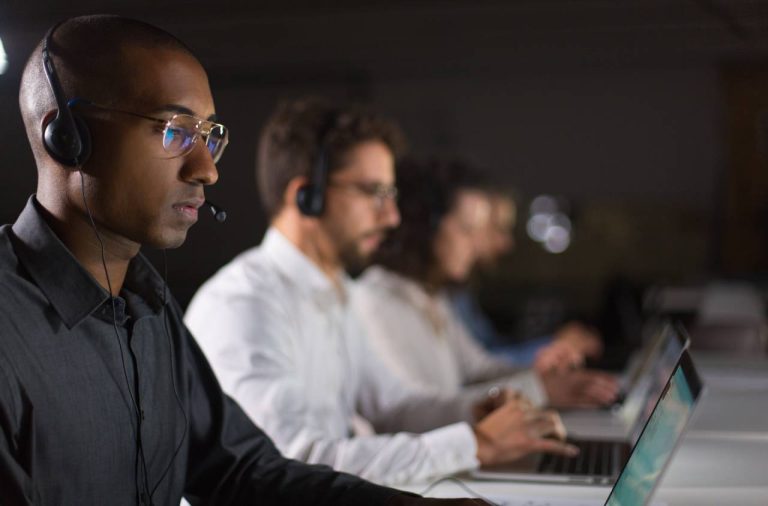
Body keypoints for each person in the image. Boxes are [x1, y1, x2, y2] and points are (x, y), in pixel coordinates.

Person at [0, 15, 486, 506]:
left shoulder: (148, 307)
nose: (207, 169)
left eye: (208, 136)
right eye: (174, 131)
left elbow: (241, 470)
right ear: (67, 137)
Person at [185, 97, 578, 487]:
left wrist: (476, 410)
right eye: (373, 192)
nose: (391, 217)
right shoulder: (244, 304)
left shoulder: (338, 293)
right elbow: (291, 461)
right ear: (305, 195)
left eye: (390, 196)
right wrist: (474, 443)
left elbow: (393, 405)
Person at [353, 158, 619, 409]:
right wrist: (538, 390)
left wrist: (541, 373)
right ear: (425, 227)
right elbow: (409, 410)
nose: (477, 245)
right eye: (468, 230)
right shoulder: (375, 300)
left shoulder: (430, 296)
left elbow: (478, 370)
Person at [449, 189, 605, 373]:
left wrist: (553, 346)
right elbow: (479, 366)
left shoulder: (460, 292)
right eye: (499, 229)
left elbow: (485, 352)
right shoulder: (445, 294)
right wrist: (552, 347)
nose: (507, 244)